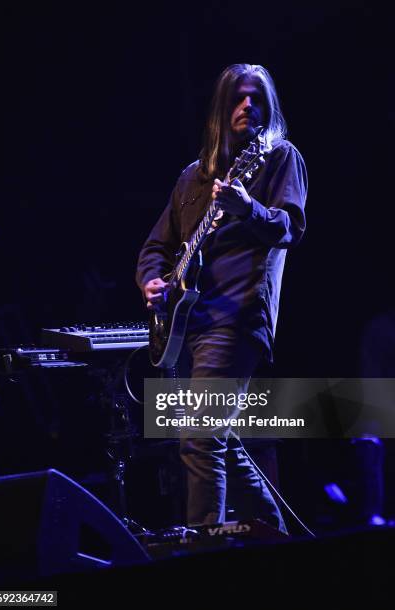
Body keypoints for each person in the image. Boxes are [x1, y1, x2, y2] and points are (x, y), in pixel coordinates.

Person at [136, 63, 307, 529]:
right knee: (216, 438)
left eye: (257, 98)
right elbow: (157, 246)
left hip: (237, 313)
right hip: (189, 323)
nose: (248, 105)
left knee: (197, 436)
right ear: (220, 109)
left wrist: (246, 206)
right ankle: (276, 540)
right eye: (238, 97)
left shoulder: (279, 158)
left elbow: (289, 227)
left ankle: (203, 554)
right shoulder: (192, 177)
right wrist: (152, 280)